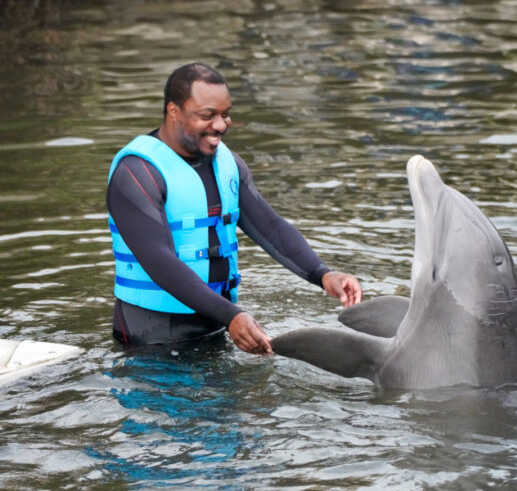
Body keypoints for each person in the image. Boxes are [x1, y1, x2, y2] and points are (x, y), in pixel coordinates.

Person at [106, 62, 362, 355]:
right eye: (207, 115)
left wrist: (323, 275)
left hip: (215, 327)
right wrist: (231, 315)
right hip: (151, 339)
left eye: (225, 114)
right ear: (173, 111)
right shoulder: (137, 173)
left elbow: (270, 226)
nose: (220, 125)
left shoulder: (228, 165)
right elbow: (159, 261)